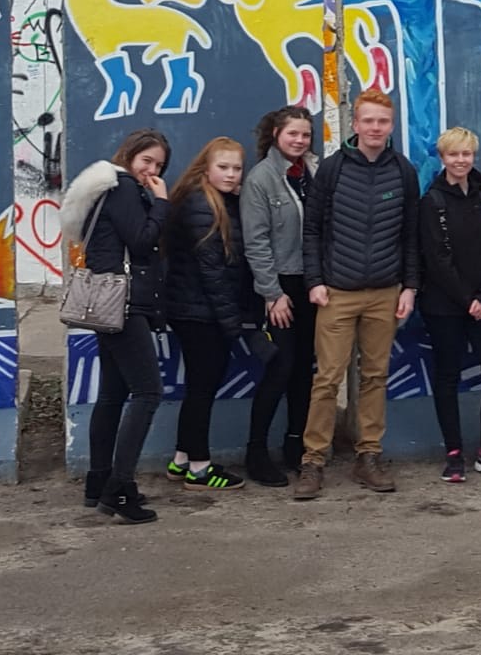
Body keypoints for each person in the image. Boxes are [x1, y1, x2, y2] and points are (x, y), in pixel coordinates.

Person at [294, 89, 420, 499]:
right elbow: (311, 230)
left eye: (382, 121)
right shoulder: (331, 170)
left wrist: (410, 286)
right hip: (337, 294)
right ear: (355, 124)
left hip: (385, 292)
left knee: (375, 377)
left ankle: (368, 457)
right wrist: (314, 281)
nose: (375, 128)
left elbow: (411, 236)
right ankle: (313, 461)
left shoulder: (403, 171)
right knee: (327, 379)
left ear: (391, 125)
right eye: (368, 120)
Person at [71, 129, 171, 524]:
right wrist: (162, 203)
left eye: (159, 166)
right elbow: (143, 241)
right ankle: (119, 490)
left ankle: (98, 482)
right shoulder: (125, 188)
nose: (152, 171)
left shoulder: (102, 189)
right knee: (147, 392)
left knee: (113, 393)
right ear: (129, 157)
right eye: (146, 161)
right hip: (124, 303)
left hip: (103, 302)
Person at [418, 126, 481, 484]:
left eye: (466, 154)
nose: (461, 161)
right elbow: (437, 259)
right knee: (447, 377)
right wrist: (467, 299)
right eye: (453, 154)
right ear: (442, 159)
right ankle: (454, 452)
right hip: (445, 306)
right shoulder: (432, 202)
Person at [164, 137, 254, 491]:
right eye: (224, 168)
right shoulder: (202, 205)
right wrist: (234, 326)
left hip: (198, 310)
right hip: (199, 313)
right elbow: (213, 273)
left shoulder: (218, 200)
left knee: (199, 387)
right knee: (202, 388)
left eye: (236, 168)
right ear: (206, 168)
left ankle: (181, 460)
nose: (231, 175)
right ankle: (200, 469)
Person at [241, 106, 318, 485]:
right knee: (280, 367)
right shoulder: (261, 179)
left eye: (305, 134)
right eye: (293, 134)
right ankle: (256, 452)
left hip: (311, 285)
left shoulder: (315, 172)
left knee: (305, 369)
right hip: (279, 288)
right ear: (276, 134)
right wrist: (272, 294)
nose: (300, 141)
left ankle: (295, 445)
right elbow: (255, 242)